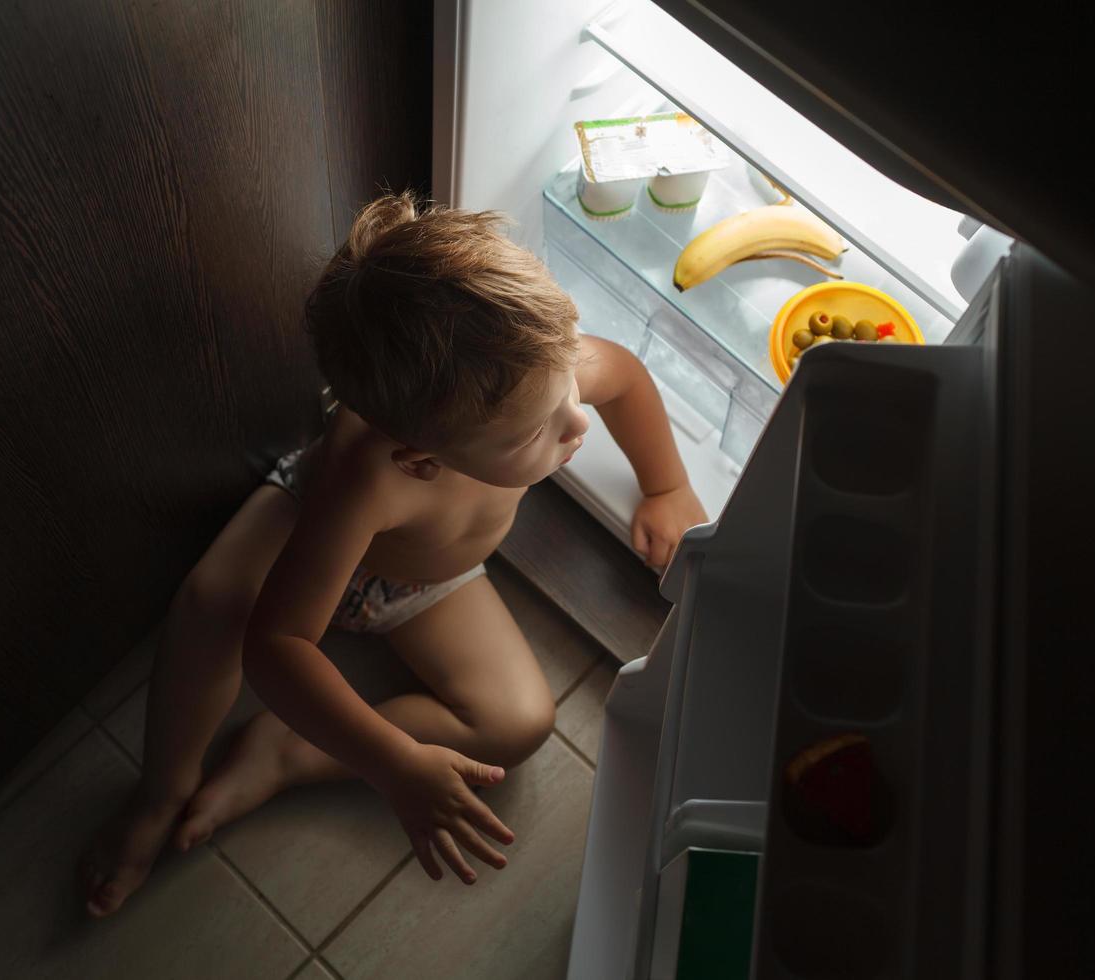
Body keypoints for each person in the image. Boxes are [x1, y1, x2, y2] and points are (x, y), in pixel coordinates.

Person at [79, 189, 708, 917]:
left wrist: (666, 485)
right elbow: (278, 646)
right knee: (211, 606)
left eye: (569, 388)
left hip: (421, 579)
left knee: (520, 722)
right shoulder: (366, 476)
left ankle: (287, 755)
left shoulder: (536, 370)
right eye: (538, 432)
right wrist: (394, 762)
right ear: (421, 459)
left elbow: (623, 376)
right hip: (309, 528)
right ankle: (159, 794)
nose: (575, 426)